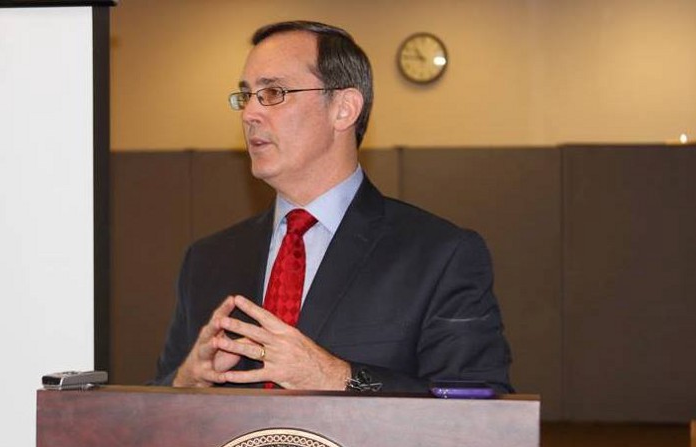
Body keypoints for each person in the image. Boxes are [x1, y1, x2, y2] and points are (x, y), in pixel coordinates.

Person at [153, 20, 513, 393]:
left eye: (273, 92)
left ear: (344, 109)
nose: (249, 114)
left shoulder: (439, 256)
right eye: (246, 96)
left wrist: (336, 377)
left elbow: (479, 404)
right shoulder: (207, 261)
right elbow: (150, 409)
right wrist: (185, 381)